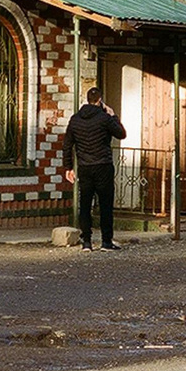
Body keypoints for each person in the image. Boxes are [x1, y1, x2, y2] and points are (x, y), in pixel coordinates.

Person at [60, 83, 128, 251]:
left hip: (84, 166)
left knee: (85, 204)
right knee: (105, 204)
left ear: (87, 100)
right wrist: (113, 116)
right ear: (100, 101)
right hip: (103, 165)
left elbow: (67, 145)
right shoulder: (105, 118)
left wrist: (68, 167)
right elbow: (121, 134)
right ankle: (106, 241)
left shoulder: (75, 119)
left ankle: (87, 242)